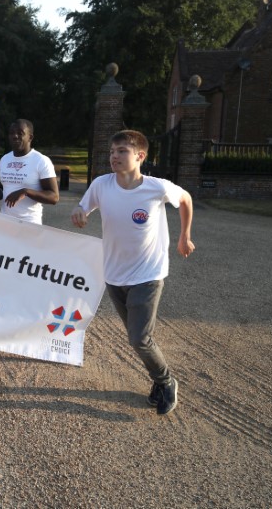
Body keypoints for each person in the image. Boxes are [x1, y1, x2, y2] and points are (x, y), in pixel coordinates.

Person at [70, 129, 195, 415]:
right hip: (114, 274)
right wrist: (79, 212)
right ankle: (158, 380)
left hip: (148, 274)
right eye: (112, 152)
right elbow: (83, 207)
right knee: (137, 337)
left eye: (122, 151)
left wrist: (184, 236)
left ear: (139, 156)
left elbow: (185, 199)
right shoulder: (101, 185)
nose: (114, 156)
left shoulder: (156, 187)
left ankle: (166, 381)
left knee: (139, 338)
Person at [0, 119, 59, 224]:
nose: (15, 136)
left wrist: (25, 192)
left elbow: (54, 197)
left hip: (29, 224)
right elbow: (3, 187)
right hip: (5, 222)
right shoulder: (5, 159)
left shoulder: (41, 161)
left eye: (20, 133)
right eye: (12, 133)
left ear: (30, 137)